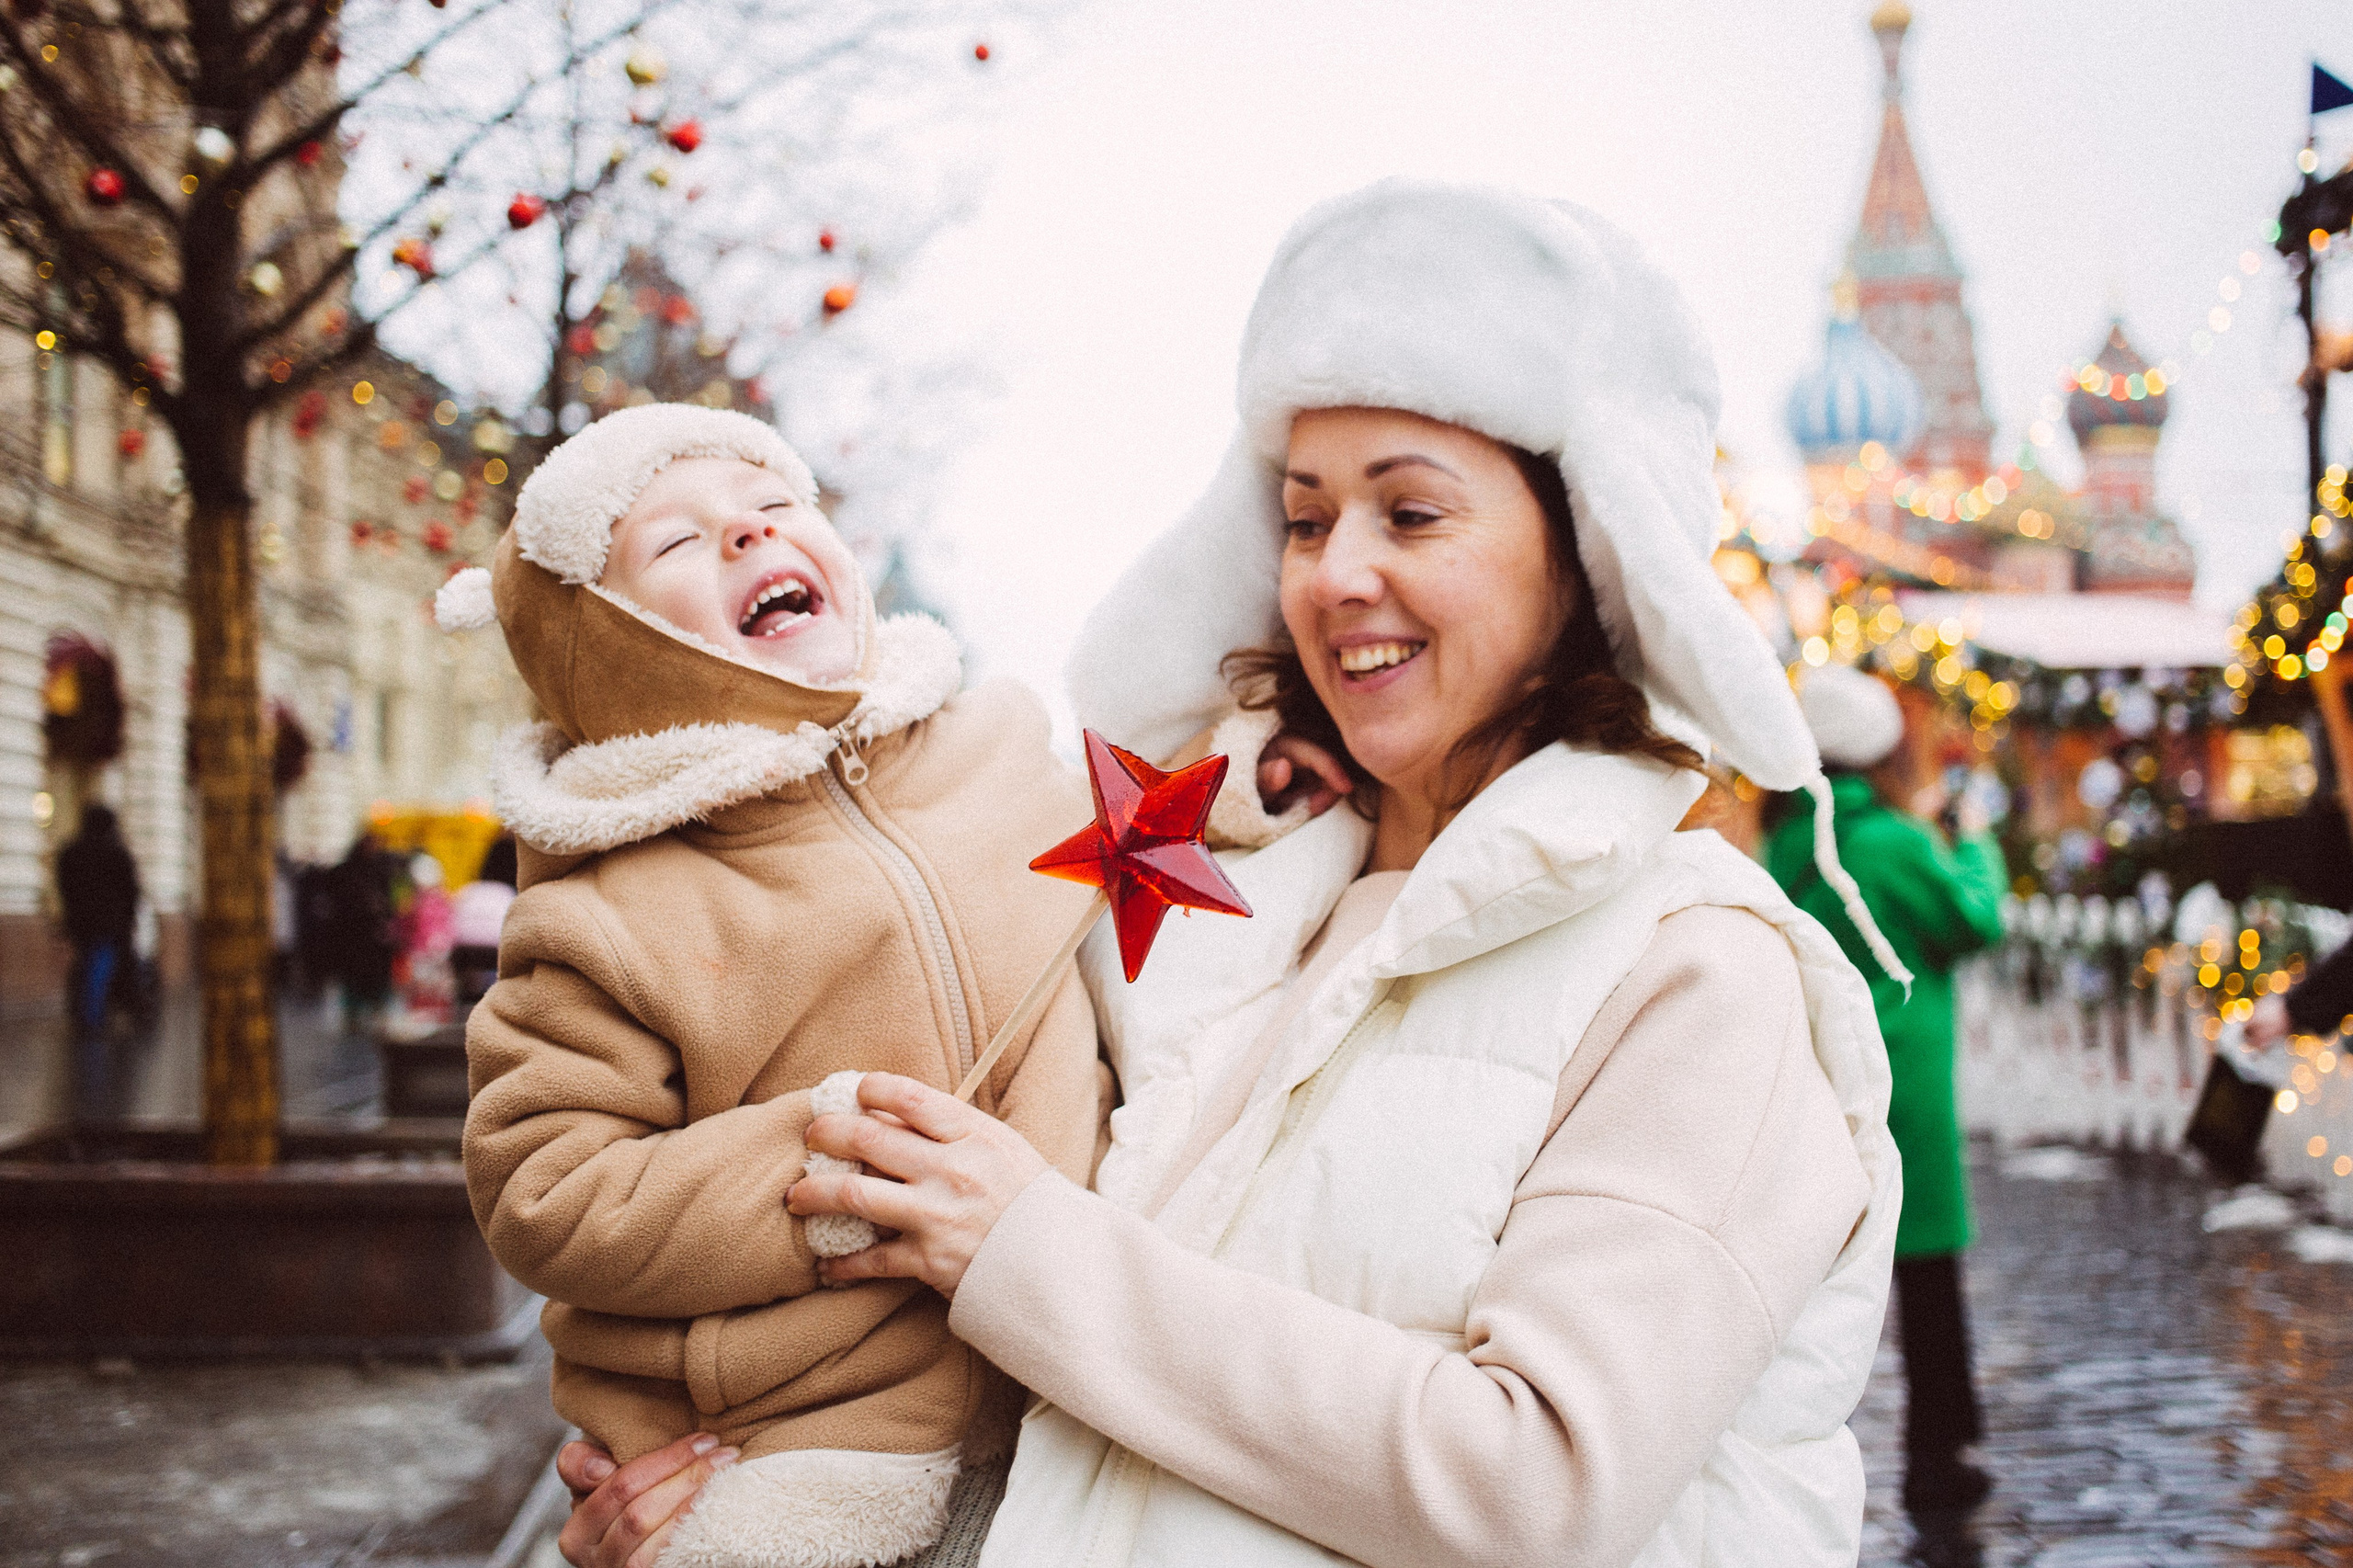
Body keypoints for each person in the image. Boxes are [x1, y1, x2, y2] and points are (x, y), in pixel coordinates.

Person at [562, 181, 1911, 1568]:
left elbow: (1537, 1489)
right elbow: (1060, 1427)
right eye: (1308, 518)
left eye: (1412, 513)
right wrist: (713, 1490)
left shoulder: (1699, 975)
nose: (1336, 574)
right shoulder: (1204, 918)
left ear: (1584, 554)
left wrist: (1026, 1247)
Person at [441, 404, 1109, 1568]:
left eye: (772, 504)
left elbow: (1150, 845)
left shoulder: (1000, 752)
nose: (747, 534)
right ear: (603, 645)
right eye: (677, 542)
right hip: (800, 1444)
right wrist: (835, 1170)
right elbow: (542, 1185)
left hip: (1077, 1381)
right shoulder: (606, 906)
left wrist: (1257, 783)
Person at [1765, 662, 2006, 1515]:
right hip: (1905, 1083)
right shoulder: (1894, 845)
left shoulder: (1785, 844)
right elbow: (1977, 920)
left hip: (1819, 1076)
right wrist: (1973, 839)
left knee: (1805, 1284)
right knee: (1930, 1279)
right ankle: (1940, 1451)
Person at [55, 802, 139, 1047]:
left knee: (87, 961)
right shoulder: (116, 852)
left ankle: (86, 1010)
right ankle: (91, 1014)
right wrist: (128, 917)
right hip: (109, 923)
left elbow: (64, 886)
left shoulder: (71, 851)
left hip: (80, 921)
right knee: (101, 964)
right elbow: (130, 890)